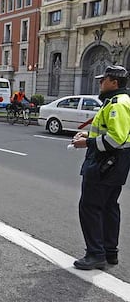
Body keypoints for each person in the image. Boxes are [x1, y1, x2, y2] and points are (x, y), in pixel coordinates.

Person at [71, 65, 130, 270]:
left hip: (106, 164)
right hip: (115, 164)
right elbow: (114, 133)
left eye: (102, 79)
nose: (99, 82)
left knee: (90, 207)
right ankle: (109, 252)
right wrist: (89, 136)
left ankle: (96, 254)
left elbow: (115, 139)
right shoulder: (118, 102)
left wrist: (86, 143)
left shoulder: (117, 104)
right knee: (108, 207)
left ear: (114, 82)